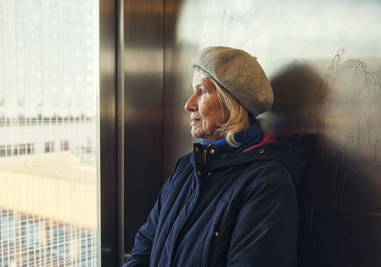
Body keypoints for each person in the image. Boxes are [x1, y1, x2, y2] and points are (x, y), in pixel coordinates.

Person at [124, 46, 307, 267]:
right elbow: (145, 245)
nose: (189, 104)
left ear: (231, 102)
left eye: (201, 92)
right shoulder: (187, 167)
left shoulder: (267, 183)